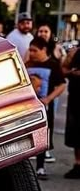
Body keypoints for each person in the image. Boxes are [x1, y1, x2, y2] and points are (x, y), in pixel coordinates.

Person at [25, 36, 66, 180]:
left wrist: (48, 98)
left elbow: (62, 85)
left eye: (34, 50)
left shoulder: (52, 65)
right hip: (28, 108)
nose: (31, 53)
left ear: (43, 50)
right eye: (30, 50)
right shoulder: (27, 64)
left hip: (45, 108)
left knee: (43, 136)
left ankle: (40, 167)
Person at [62, 45, 80, 179]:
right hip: (75, 96)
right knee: (75, 132)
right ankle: (78, 164)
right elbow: (63, 70)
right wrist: (72, 73)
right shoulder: (75, 51)